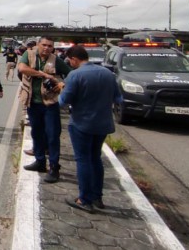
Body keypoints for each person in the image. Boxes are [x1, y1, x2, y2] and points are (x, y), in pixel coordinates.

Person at [57, 45, 123, 212]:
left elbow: (63, 102)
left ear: (74, 59)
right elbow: (118, 98)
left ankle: (84, 199)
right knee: (95, 158)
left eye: (69, 61)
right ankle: (97, 197)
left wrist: (61, 90)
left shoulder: (75, 75)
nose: (69, 64)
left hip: (81, 124)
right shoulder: (108, 73)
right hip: (103, 124)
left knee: (83, 160)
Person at [18, 36, 72, 183]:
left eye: (50, 46)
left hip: (50, 103)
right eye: (44, 45)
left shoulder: (56, 60)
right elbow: (22, 68)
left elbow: (71, 74)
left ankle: (54, 167)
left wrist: (62, 84)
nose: (46, 48)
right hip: (32, 102)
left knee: (53, 135)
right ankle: (40, 161)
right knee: (36, 133)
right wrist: (42, 74)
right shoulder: (28, 55)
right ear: (38, 45)